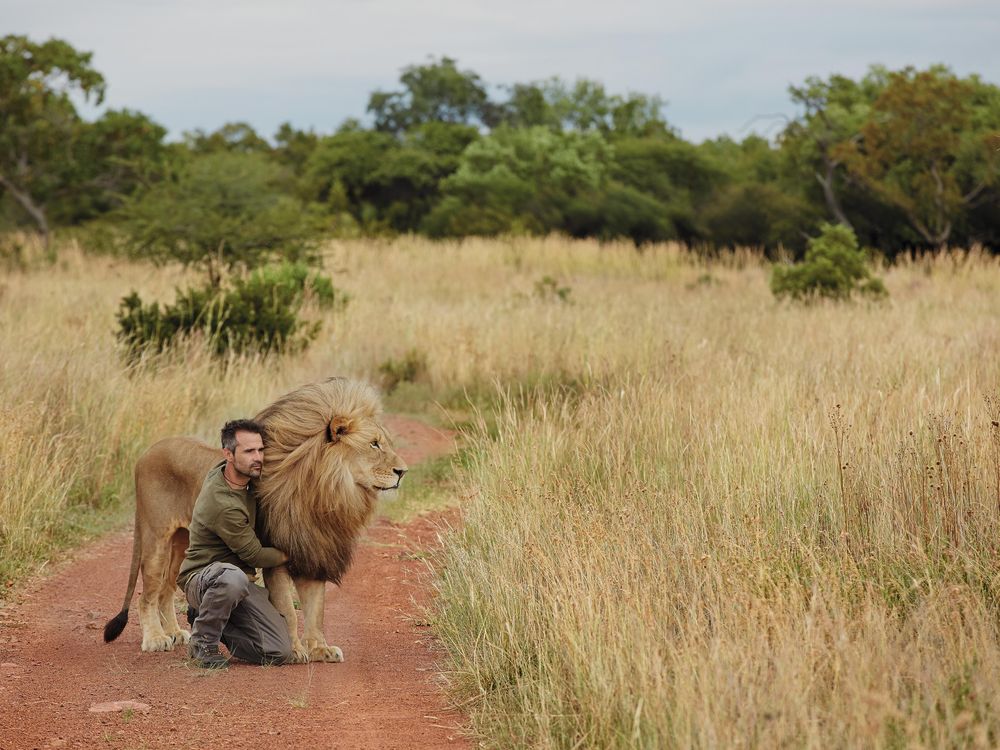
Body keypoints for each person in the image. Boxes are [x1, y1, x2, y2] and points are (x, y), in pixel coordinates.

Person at [176, 419, 293, 668]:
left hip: (237, 586)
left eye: (261, 450)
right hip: (205, 579)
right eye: (249, 451)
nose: (258, 457)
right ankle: (202, 643)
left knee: (279, 651)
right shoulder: (222, 503)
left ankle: (209, 619)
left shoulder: (240, 476)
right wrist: (293, 554)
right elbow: (255, 556)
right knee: (232, 577)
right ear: (228, 454)